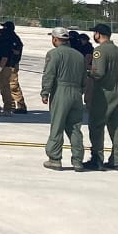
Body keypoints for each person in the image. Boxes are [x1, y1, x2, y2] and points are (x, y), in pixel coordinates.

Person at [40, 27, 85, 170]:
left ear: (55, 39)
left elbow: (49, 74)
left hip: (61, 91)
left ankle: (55, 158)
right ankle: (78, 160)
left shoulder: (54, 54)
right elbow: (85, 78)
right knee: (75, 128)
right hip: (77, 93)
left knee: (57, 125)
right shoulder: (79, 56)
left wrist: (45, 92)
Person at [85, 22, 118, 171]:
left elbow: (99, 73)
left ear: (98, 34)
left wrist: (86, 72)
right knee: (117, 128)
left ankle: (97, 158)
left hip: (104, 94)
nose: (93, 36)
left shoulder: (100, 51)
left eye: (94, 33)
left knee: (96, 126)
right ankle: (117, 160)